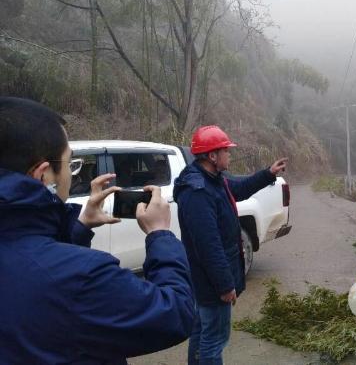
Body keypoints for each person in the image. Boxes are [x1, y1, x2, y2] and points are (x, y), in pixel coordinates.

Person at [0, 97, 195, 364]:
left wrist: (77, 228)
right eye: (71, 164)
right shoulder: (81, 277)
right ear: (42, 175)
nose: (73, 174)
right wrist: (160, 234)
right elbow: (175, 313)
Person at [174, 125, 287, 365]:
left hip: (208, 280)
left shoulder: (214, 180)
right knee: (214, 339)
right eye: (226, 151)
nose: (230, 155)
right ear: (212, 156)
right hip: (211, 283)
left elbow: (239, 189)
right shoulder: (198, 192)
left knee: (203, 331)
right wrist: (225, 286)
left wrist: (268, 173)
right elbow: (208, 246)